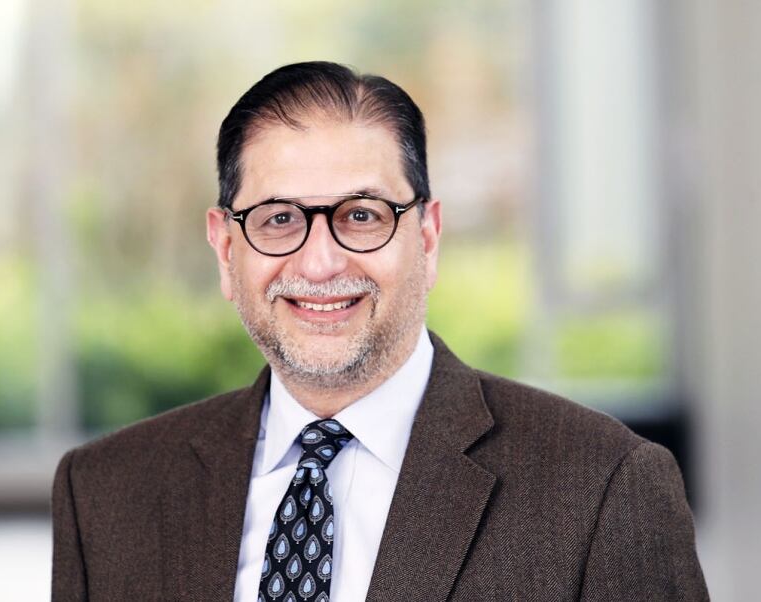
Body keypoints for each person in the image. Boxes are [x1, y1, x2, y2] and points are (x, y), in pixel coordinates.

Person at [51, 61, 708, 601]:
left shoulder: (600, 487)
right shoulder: (105, 497)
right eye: (279, 218)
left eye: (361, 215)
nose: (320, 262)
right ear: (226, 250)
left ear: (427, 235)